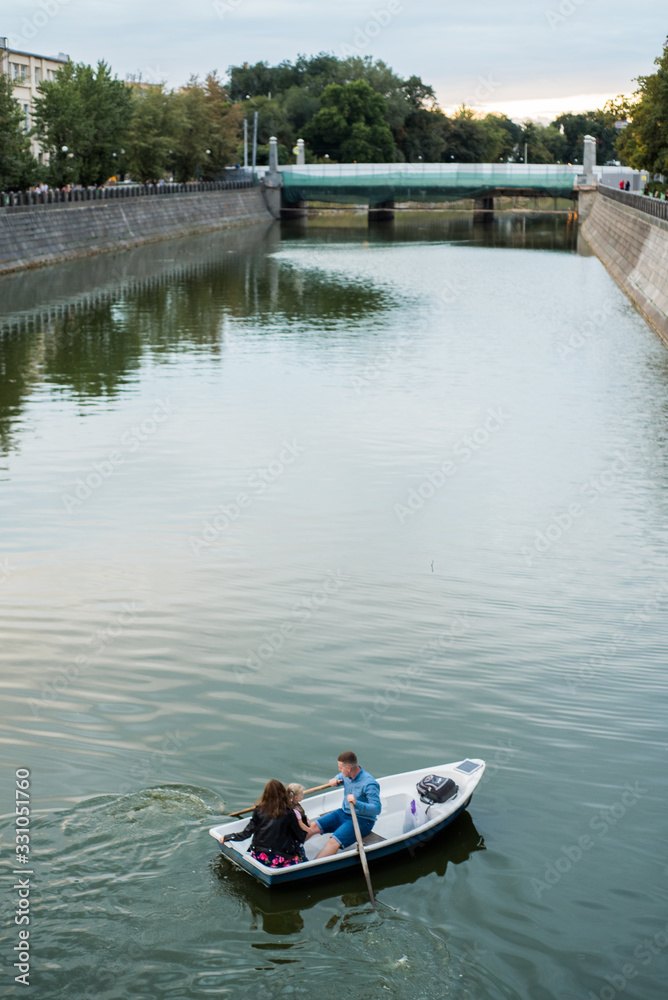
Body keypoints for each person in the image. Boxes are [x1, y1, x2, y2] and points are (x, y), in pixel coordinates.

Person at [307, 751, 381, 858]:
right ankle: (292, 855)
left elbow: (377, 809)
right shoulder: (346, 774)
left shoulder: (369, 784)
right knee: (312, 826)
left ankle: (311, 868)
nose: (339, 770)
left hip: (362, 820)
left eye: (340, 768)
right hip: (344, 812)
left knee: (333, 842)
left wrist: (357, 803)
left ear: (349, 768)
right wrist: (335, 779)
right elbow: (341, 776)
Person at [219, 779, 306, 868]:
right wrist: (303, 820)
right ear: (283, 794)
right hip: (280, 860)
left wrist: (227, 837)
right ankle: (305, 864)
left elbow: (246, 833)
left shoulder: (259, 810)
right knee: (299, 849)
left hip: (259, 857)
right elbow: (301, 838)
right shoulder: (289, 813)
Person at [287, 783, 310, 862]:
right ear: (296, 797)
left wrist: (307, 819)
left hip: (291, 834)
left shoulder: (290, 805)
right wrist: (309, 830)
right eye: (302, 795)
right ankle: (303, 861)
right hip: (297, 834)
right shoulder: (295, 810)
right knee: (299, 849)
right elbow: (301, 824)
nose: (303, 796)